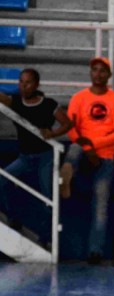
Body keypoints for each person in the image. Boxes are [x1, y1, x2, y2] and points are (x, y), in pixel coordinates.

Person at [60, 56, 114, 264]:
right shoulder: (79, 98)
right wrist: (88, 148)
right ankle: (67, 174)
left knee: (100, 204)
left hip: (105, 156)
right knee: (74, 147)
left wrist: (94, 145)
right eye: (95, 70)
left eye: (102, 71)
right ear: (91, 73)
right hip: (83, 148)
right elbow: (71, 128)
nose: (98, 74)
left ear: (109, 75)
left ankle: (95, 251)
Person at [0, 68, 72, 236]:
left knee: (47, 197)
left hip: (45, 157)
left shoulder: (48, 104)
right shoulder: (15, 102)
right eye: (21, 82)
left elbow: (68, 123)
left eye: (28, 82)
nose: (23, 86)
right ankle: (13, 217)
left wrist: (52, 133)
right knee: (3, 180)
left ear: (36, 84)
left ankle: (47, 236)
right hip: (25, 157)